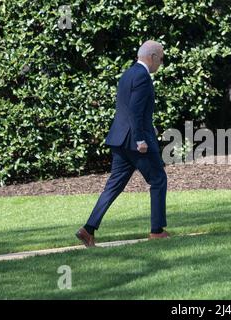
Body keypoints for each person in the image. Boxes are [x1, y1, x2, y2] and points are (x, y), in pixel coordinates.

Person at [75, 40, 168, 247]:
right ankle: (157, 231)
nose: (161, 63)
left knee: (113, 186)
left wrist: (147, 127)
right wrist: (141, 139)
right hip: (135, 142)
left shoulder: (128, 74)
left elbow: (130, 109)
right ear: (152, 57)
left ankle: (88, 229)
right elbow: (134, 110)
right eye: (161, 59)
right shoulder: (143, 77)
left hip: (119, 140)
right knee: (159, 179)